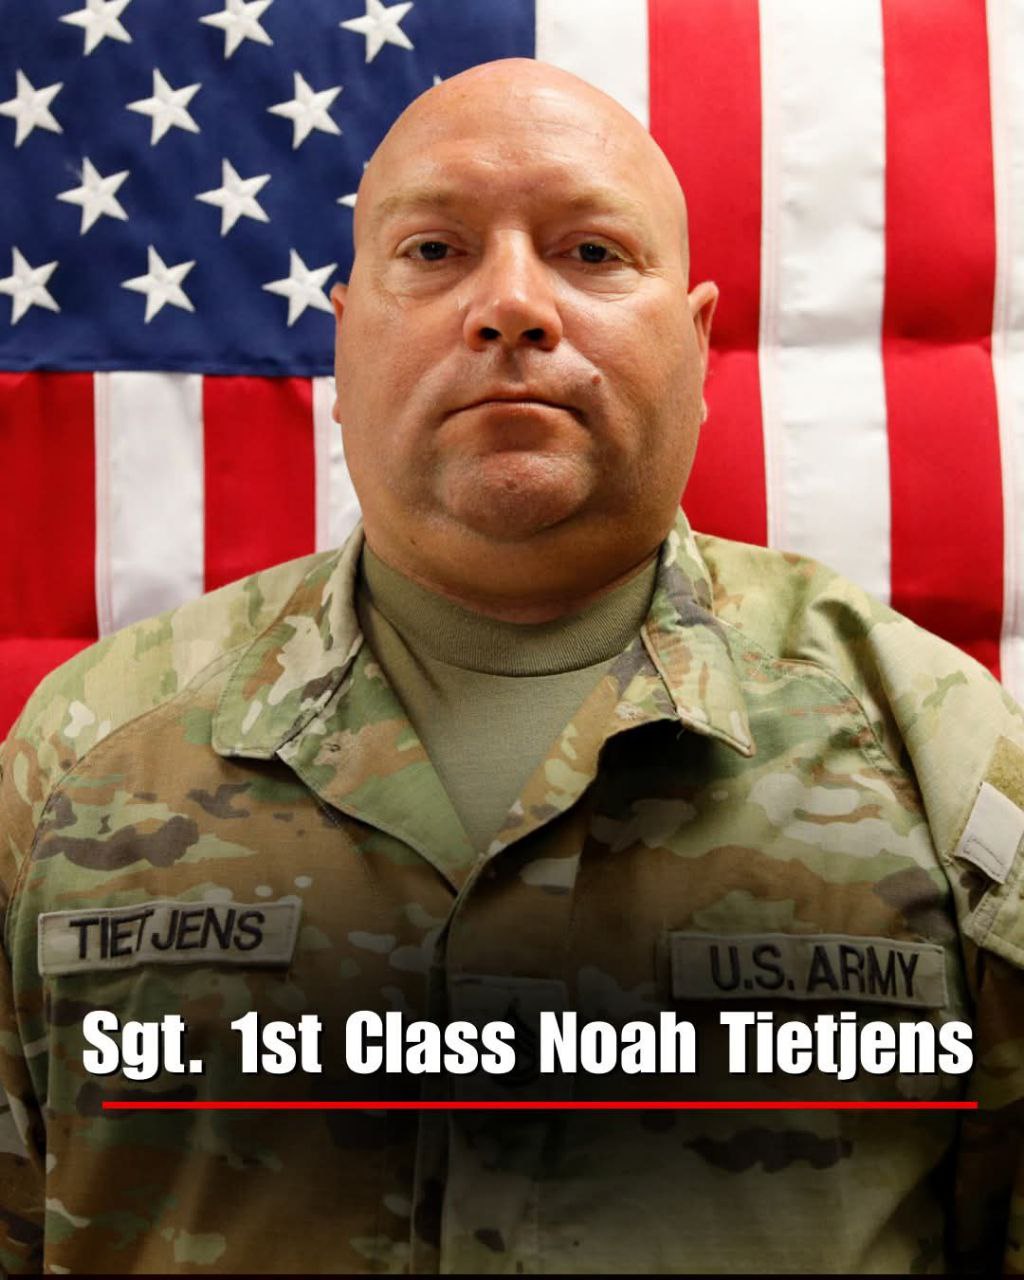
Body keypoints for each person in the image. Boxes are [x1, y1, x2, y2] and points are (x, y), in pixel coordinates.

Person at [0, 57, 1021, 1275]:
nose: (513, 306)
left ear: (697, 346)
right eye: (434, 251)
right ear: (344, 342)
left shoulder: (936, 747)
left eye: (592, 252)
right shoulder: (85, 751)